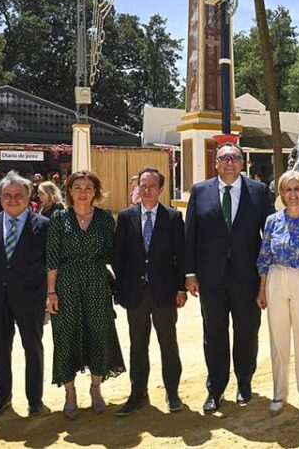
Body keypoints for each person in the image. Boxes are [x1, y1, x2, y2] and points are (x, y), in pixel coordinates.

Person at [184, 142, 273, 414]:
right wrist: (190, 274)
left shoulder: (258, 192)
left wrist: (265, 281)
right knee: (214, 334)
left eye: (235, 157)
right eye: (224, 158)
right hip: (211, 280)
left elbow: (269, 237)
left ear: (242, 163)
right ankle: (216, 387)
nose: (230, 162)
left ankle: (244, 382)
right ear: (216, 163)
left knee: (247, 333)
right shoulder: (200, 192)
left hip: (247, 279)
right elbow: (191, 236)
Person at [45, 170, 125, 420]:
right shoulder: (59, 218)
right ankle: (69, 393)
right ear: (68, 191)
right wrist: (51, 292)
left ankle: (96, 388)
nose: (83, 192)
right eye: (77, 187)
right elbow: (52, 258)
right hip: (66, 285)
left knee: (99, 332)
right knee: (66, 335)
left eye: (88, 187)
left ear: (95, 192)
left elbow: (115, 255)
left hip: (97, 284)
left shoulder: (104, 219)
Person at [113, 167, 186, 417]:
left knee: (168, 343)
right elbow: (118, 257)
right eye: (142, 186)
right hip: (135, 294)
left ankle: (173, 392)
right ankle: (138, 394)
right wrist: (121, 290)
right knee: (137, 345)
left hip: (165, 293)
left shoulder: (174, 217)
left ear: (161, 189)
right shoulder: (125, 217)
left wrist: (180, 288)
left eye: (152, 186)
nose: (146, 190)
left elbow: (181, 257)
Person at [0, 171, 49, 422]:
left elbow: (48, 263)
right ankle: (1, 398)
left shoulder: (43, 226)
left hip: (30, 298)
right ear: (0, 198)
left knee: (33, 348)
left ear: (29, 195)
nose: (13, 199)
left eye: (19, 195)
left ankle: (35, 400)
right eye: (7, 195)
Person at [256, 171, 299, 416]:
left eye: (297, 189)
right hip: (275, 279)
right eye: (288, 190)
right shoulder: (272, 221)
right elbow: (264, 256)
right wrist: (262, 288)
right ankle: (279, 392)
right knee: (278, 339)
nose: (293, 194)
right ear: (282, 194)